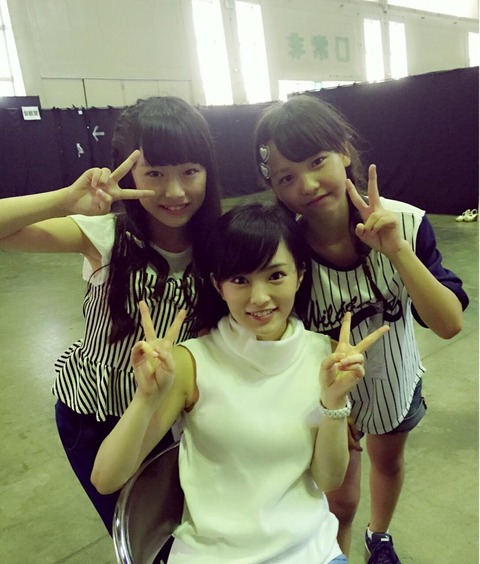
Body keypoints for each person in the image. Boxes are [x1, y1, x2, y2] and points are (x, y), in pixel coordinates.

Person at [91, 203, 389, 564]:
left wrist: (334, 402)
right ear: (218, 285)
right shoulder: (191, 363)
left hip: (312, 551)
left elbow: (328, 480)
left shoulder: (324, 356)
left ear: (299, 274)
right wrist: (145, 398)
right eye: (240, 280)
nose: (259, 297)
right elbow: (106, 479)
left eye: (275, 276)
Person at [253, 94, 469, 563]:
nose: (308, 185)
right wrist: (330, 407)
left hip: (395, 381)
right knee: (341, 497)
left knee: (388, 463)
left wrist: (397, 250)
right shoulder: (283, 249)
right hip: (329, 395)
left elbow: (449, 324)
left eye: (317, 161)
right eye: (287, 177)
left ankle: (380, 536)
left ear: (343, 151)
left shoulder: (406, 222)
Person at [0, 96, 222, 534]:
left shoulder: (219, 243)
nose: (175, 192)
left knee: (183, 532)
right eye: (155, 173)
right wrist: (64, 200)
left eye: (189, 171)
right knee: (138, 534)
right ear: (129, 171)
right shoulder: (105, 235)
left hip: (168, 418)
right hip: (94, 417)